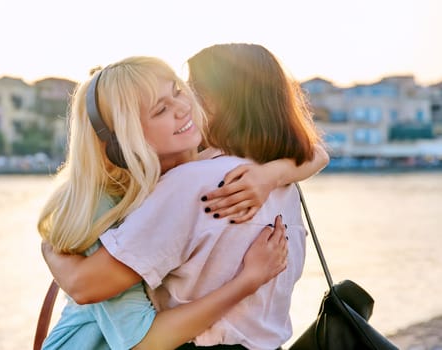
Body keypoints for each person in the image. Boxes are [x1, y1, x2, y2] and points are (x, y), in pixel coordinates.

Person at [42, 44, 326, 349]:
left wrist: (274, 174)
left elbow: (316, 155)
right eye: (160, 109)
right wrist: (53, 251)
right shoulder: (279, 186)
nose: (184, 106)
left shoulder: (235, 176)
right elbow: (117, 317)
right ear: (128, 135)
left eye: (180, 91)